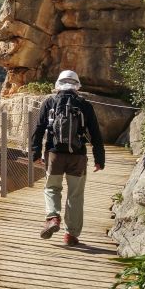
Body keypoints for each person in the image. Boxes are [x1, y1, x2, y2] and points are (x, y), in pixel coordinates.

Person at [31, 70, 105, 246]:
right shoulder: (84, 105)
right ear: (77, 86)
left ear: (58, 85)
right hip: (78, 157)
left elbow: (39, 129)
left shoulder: (49, 102)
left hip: (54, 154)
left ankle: (53, 217)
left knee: (51, 188)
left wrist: (35, 154)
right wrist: (99, 159)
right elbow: (95, 133)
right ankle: (70, 235)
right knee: (75, 195)